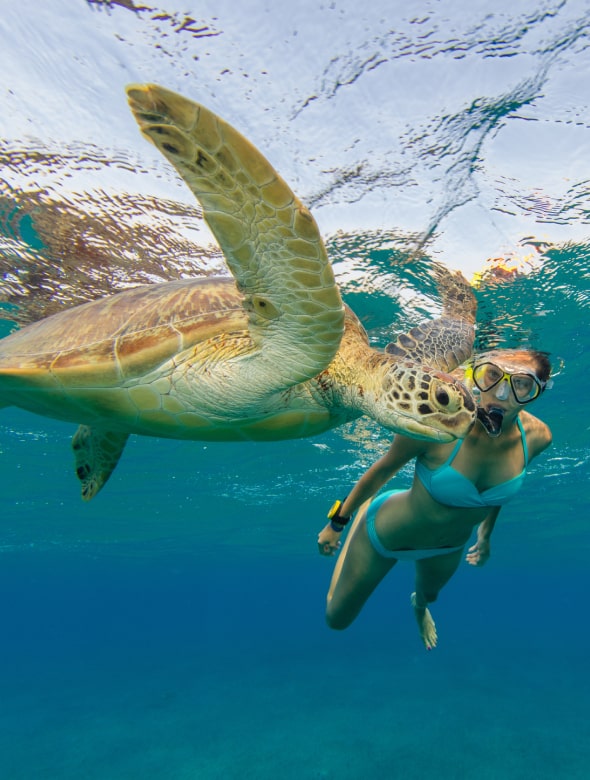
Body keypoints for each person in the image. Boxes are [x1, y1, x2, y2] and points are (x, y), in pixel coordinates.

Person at [318, 349, 553, 650]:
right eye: (492, 376)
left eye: (521, 384)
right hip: (386, 534)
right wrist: (337, 524)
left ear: (537, 392)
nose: (501, 393)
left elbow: (496, 493)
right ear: (477, 375)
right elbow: (382, 470)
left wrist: (485, 535)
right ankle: (365, 512)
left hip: (448, 548)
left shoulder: (537, 438)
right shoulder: (438, 421)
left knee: (429, 597)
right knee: (336, 620)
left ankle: (419, 609)